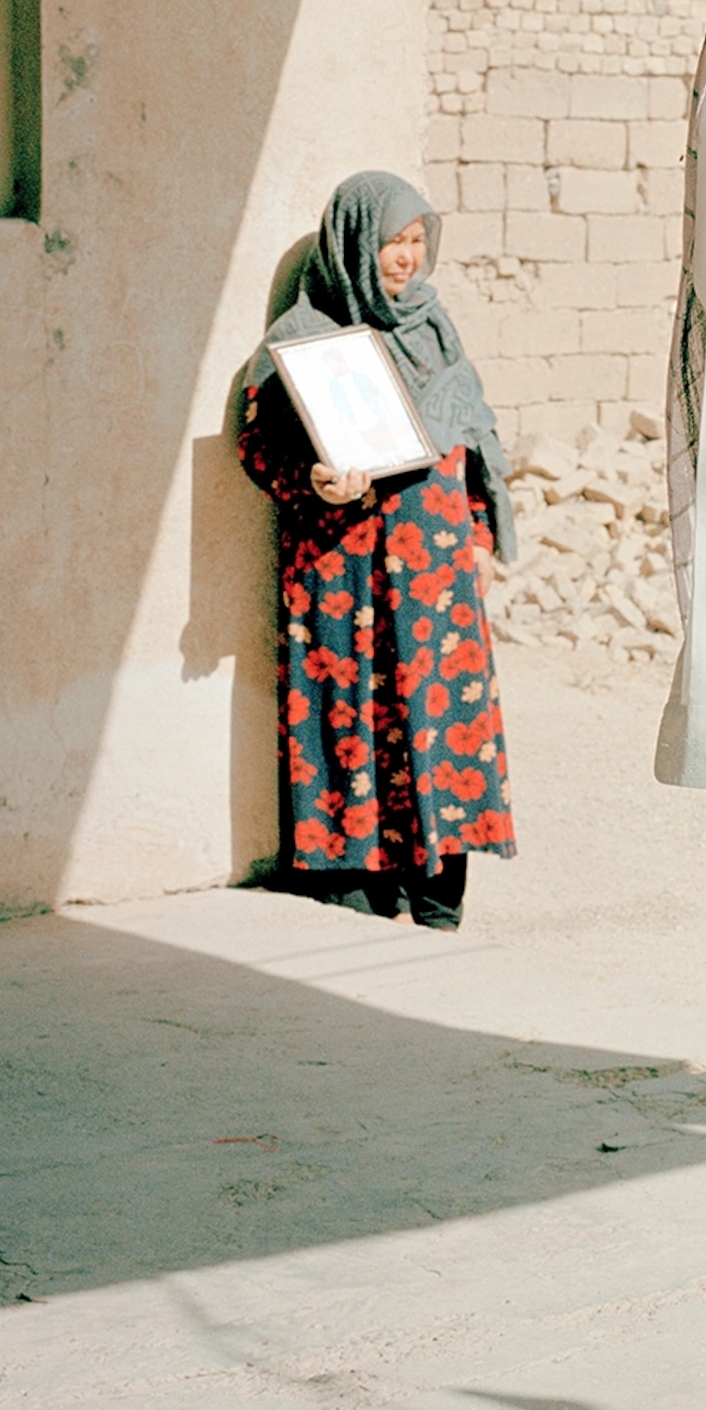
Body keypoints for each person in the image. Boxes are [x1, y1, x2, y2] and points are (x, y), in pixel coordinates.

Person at [239, 172, 516, 926]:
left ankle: (436, 893)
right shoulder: (302, 339)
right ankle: (359, 887)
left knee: (436, 712)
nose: (406, 257)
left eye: (418, 239)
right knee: (354, 713)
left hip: (435, 569)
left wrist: (482, 540)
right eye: (392, 241)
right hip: (343, 568)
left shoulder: (434, 329)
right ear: (353, 244)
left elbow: (474, 440)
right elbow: (259, 448)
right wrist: (315, 483)